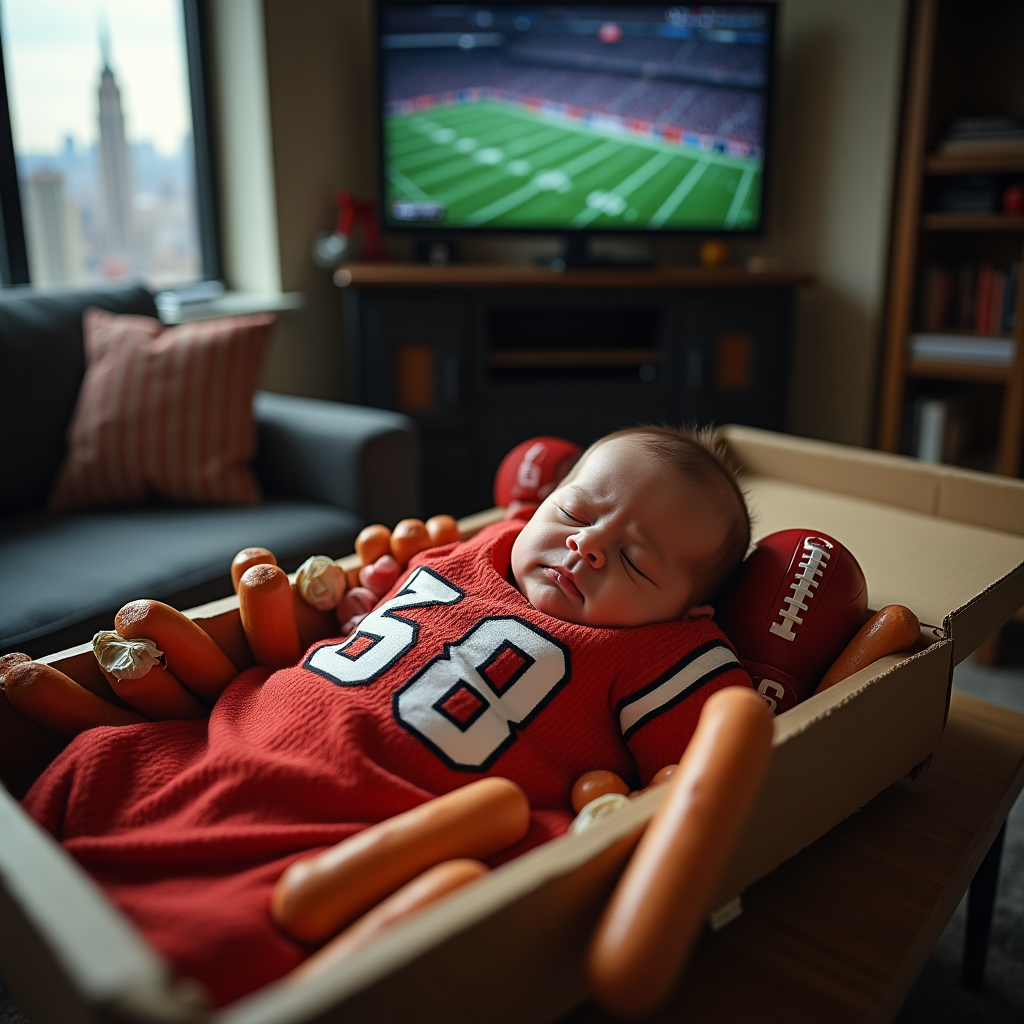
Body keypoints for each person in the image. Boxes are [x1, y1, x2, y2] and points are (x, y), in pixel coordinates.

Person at [23, 425, 754, 1006]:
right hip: (238, 733)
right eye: (575, 512)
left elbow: (707, 764)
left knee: (227, 939)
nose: (586, 547)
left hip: (359, 811)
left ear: (688, 612)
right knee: (96, 762)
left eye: (635, 561)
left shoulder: (663, 652)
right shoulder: (477, 547)